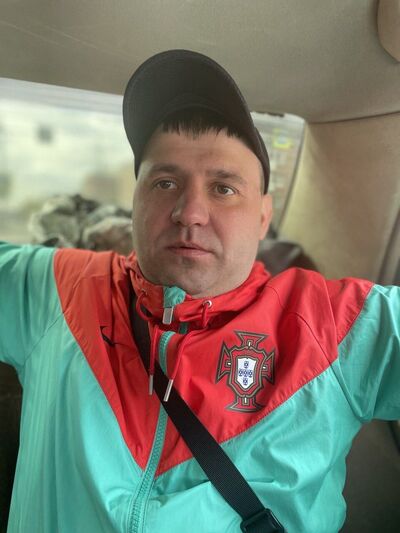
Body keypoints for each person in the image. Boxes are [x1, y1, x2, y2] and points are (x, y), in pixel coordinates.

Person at [0, 49, 399, 533]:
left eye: (224, 188)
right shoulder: (57, 289)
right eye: (165, 182)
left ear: (263, 217)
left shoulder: (334, 325)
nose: (189, 212)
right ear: (134, 201)